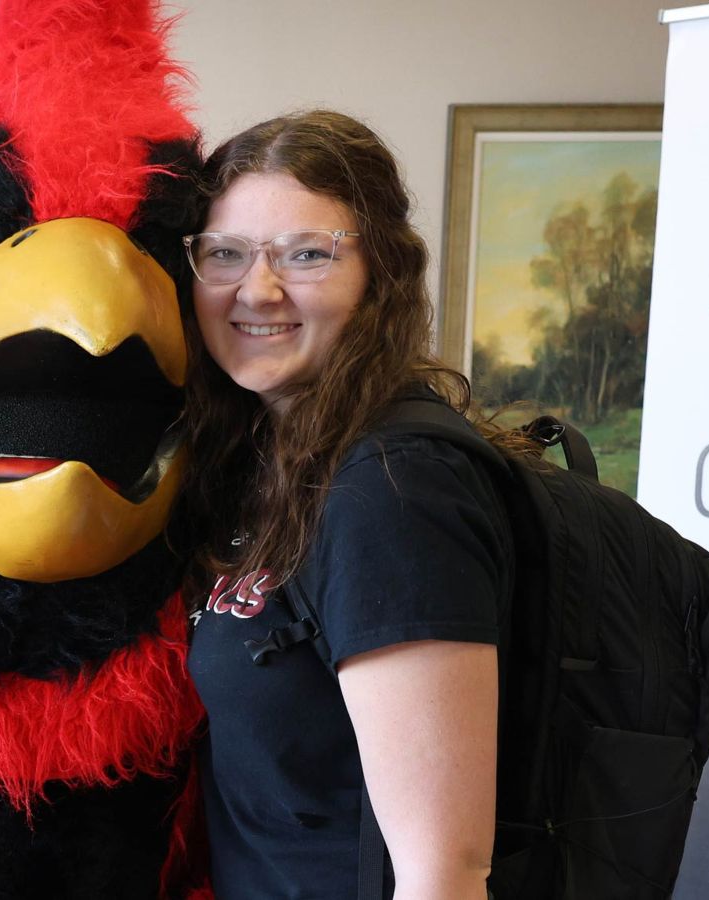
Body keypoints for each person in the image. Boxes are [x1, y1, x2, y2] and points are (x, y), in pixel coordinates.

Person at [179, 110, 510, 900]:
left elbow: (445, 872)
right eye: (224, 254)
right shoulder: (269, 464)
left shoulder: (392, 490)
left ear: (380, 277)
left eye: (306, 255)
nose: (256, 289)